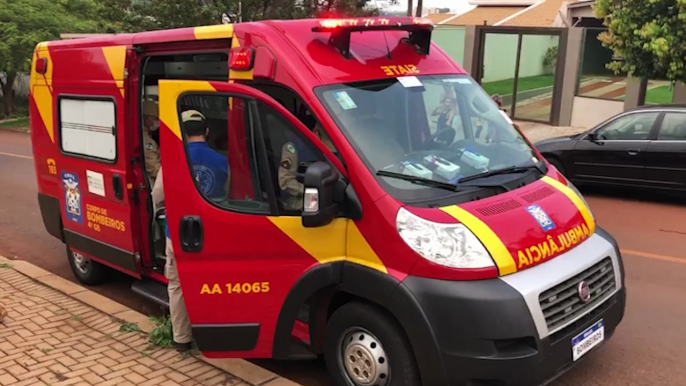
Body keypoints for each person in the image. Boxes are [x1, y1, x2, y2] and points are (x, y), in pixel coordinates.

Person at [151, 109, 230, 352]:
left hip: (179, 233)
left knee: (177, 285)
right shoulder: (222, 161)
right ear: (206, 131)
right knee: (213, 284)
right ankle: (216, 336)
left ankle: (182, 339)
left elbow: (157, 197)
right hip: (213, 232)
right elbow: (229, 197)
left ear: (183, 133)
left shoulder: (173, 160)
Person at [278, 116, 337, 211]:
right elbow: (285, 182)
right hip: (297, 197)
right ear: (314, 131)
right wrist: (311, 191)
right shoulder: (291, 148)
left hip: (323, 195)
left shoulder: (324, 147)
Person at [142, 101, 161, 185]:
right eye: (155, 118)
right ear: (146, 118)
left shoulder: (147, 134)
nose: (157, 122)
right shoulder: (146, 140)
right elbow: (153, 167)